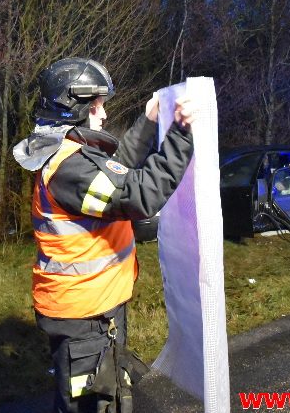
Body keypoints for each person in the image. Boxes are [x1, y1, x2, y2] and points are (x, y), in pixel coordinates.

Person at [13, 57, 197, 413]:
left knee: (109, 392)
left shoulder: (71, 154)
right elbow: (140, 193)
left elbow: (118, 171)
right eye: (97, 105)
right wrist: (182, 134)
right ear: (75, 107)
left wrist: (149, 123)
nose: (104, 114)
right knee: (95, 404)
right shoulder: (71, 167)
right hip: (85, 315)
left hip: (94, 308)